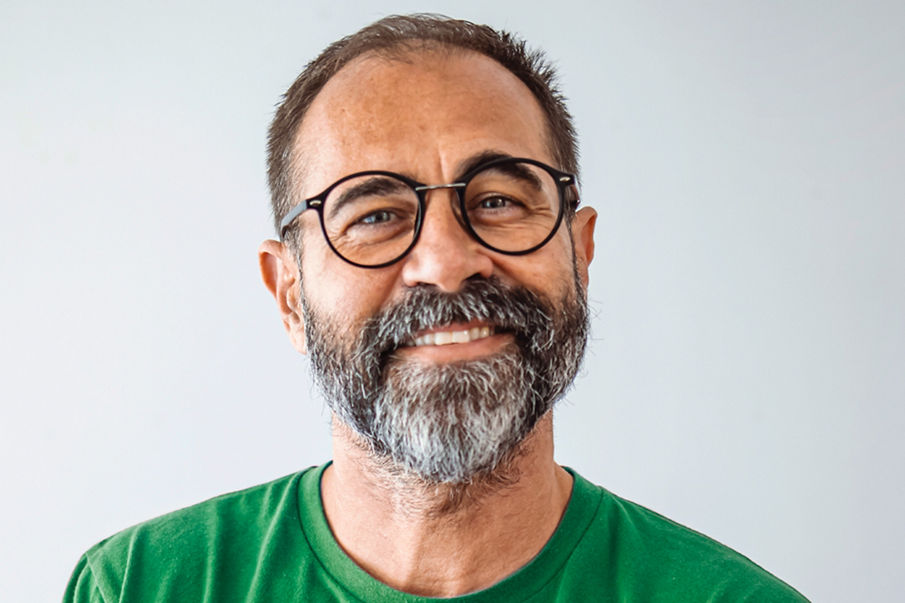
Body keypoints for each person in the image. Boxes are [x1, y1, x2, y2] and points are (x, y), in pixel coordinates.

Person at [64, 14, 808, 602]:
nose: (447, 261)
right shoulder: (139, 586)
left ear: (578, 255)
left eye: (497, 200)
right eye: (375, 214)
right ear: (289, 294)